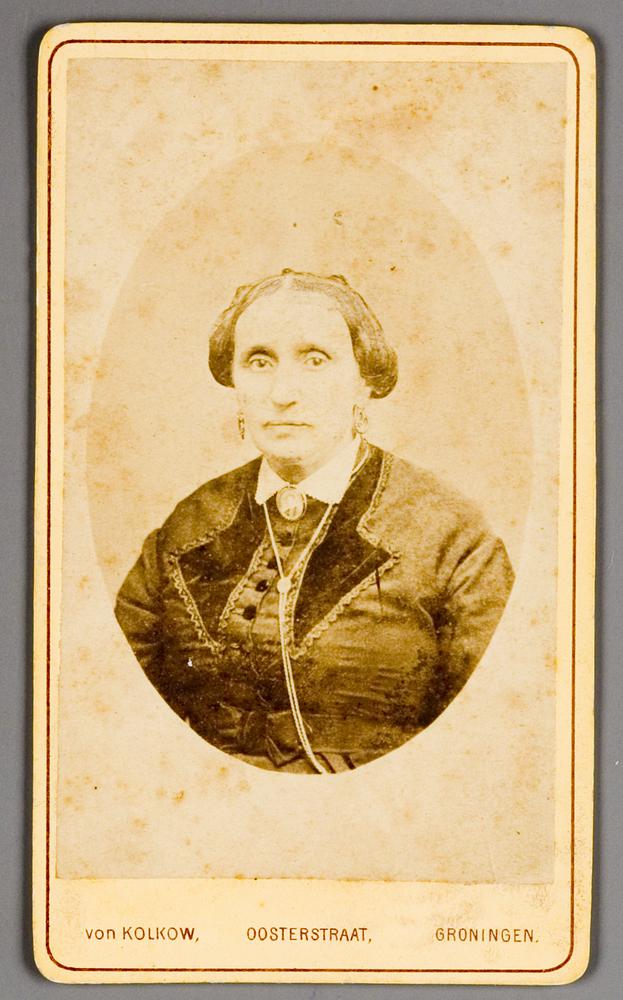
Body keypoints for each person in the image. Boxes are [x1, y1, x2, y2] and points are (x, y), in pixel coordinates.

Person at [115, 268, 514, 774]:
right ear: (234, 381)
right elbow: (116, 703)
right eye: (259, 361)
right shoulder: (190, 525)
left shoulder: (450, 535)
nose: (283, 392)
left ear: (364, 382)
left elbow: (491, 732)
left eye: (315, 360)